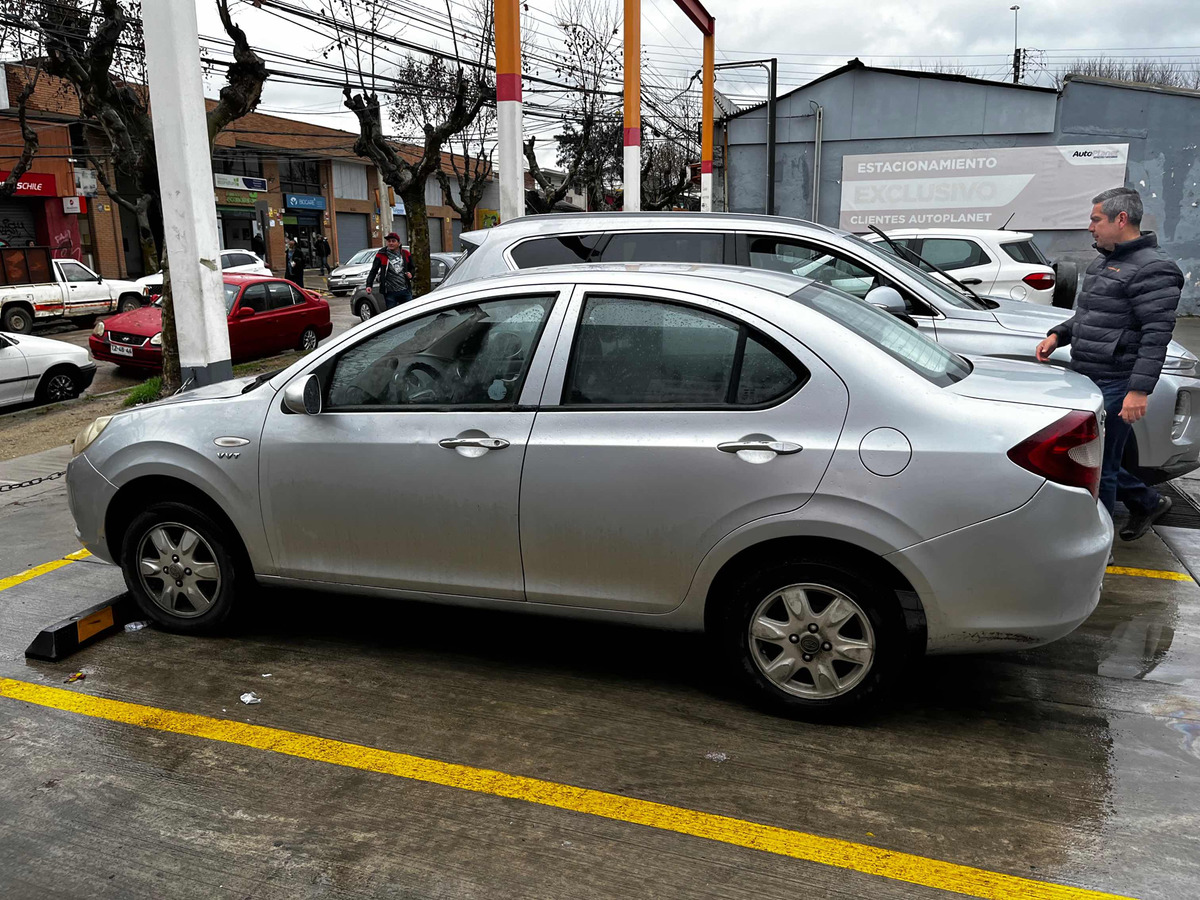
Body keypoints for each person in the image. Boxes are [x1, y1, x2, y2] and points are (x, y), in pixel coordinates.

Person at [1036, 187, 1183, 541]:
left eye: (1095, 219)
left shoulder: (1155, 269)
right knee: (1094, 457)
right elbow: (1090, 316)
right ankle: (1147, 502)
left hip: (1117, 381)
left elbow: (1155, 335)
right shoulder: (1106, 259)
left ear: (1121, 219)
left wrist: (1138, 390)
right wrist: (1059, 335)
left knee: (1099, 464)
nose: (1090, 227)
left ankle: (1092, 543)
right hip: (1086, 374)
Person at [366, 232, 415, 310]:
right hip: (389, 292)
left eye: (393, 241)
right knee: (391, 314)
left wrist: (411, 274)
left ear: (398, 243)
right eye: (389, 241)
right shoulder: (381, 254)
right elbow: (374, 270)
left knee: (409, 312)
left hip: (405, 290)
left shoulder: (405, 253)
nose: (391, 243)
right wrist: (369, 284)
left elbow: (412, 267)